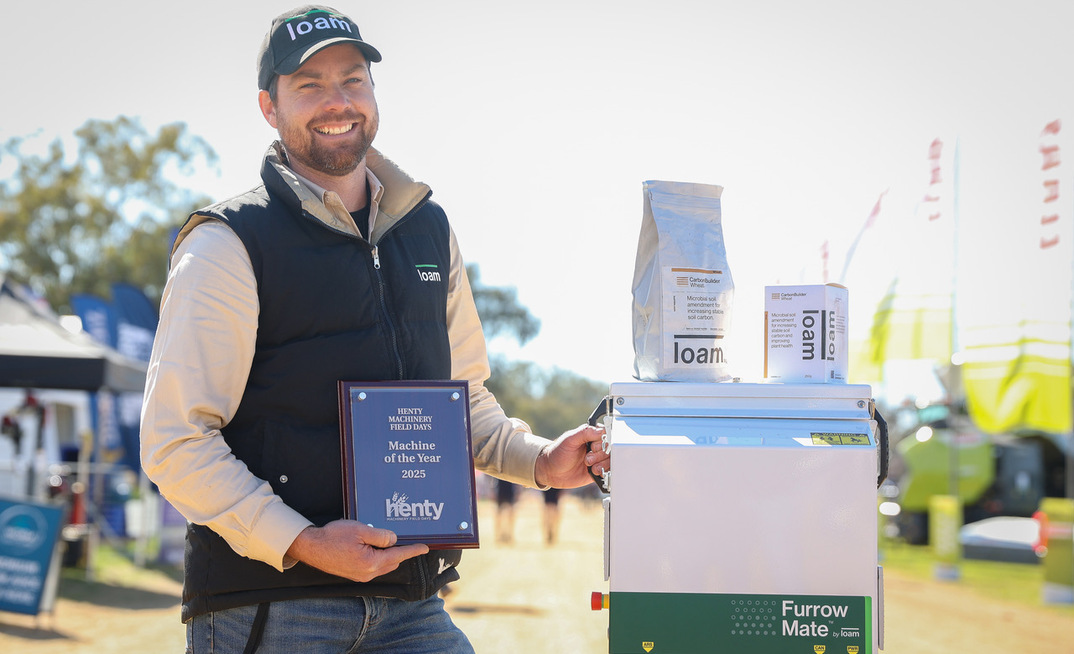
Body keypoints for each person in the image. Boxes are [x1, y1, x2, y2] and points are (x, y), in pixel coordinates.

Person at [139, 6, 609, 653]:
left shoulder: (429, 230)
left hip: (412, 605)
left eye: (352, 79)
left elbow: (462, 400)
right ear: (269, 108)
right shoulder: (227, 243)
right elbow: (175, 439)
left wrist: (540, 461)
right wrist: (303, 541)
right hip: (272, 609)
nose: (337, 101)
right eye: (309, 85)